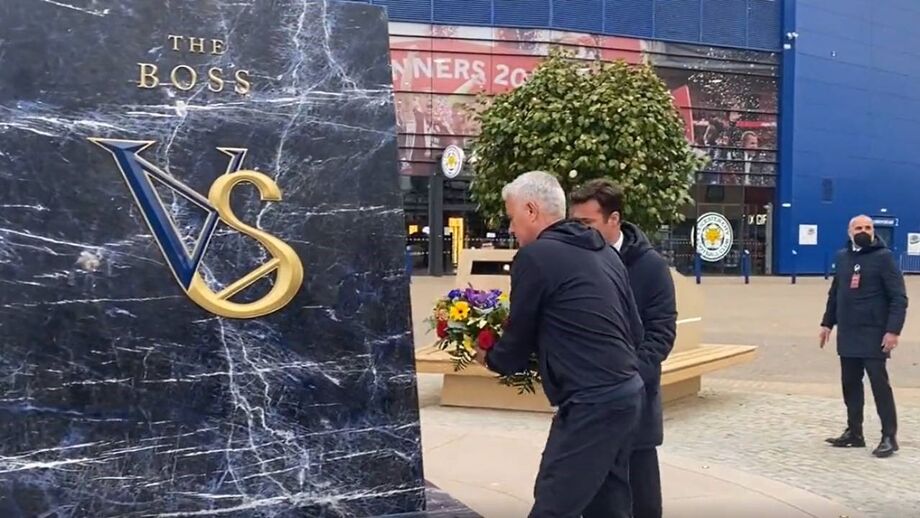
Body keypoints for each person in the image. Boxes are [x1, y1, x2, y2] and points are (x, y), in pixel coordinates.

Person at [477, 171, 644, 518]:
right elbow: (635, 331)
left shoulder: (536, 257)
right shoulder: (606, 253)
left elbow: (518, 339)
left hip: (591, 402)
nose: (510, 228)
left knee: (554, 501)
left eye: (512, 217)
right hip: (628, 394)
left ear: (532, 210)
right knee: (607, 503)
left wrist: (490, 357)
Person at [570, 179, 677, 518]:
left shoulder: (651, 267)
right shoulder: (574, 261)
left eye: (587, 224)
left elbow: (661, 334)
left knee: (642, 500)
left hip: (635, 404)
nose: (580, 231)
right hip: (588, 405)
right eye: (575, 224)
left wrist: (626, 379)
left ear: (613, 219)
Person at [820, 214, 908, 458]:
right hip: (848, 332)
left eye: (868, 227)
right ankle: (855, 432)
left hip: (875, 334)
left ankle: (889, 436)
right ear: (850, 231)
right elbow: (835, 294)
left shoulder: (884, 258)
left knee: (880, 386)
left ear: (873, 231)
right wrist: (827, 323)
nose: (864, 230)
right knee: (850, 384)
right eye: (859, 227)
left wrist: (893, 331)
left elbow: (899, 298)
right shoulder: (843, 257)